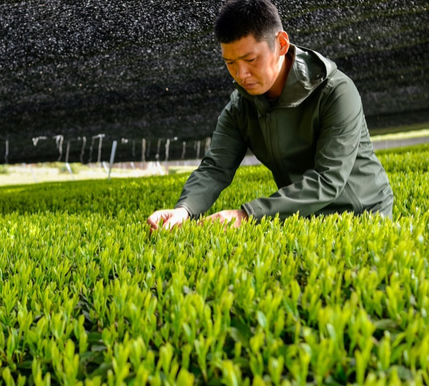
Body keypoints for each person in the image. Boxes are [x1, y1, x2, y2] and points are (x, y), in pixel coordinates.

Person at [148, 0, 393, 230]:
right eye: (230, 63)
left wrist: (246, 215)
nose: (241, 74)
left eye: (250, 59)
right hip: (302, 218)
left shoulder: (336, 91)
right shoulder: (240, 108)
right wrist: (184, 209)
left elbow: (328, 179)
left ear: (282, 45)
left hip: (363, 214)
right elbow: (215, 168)